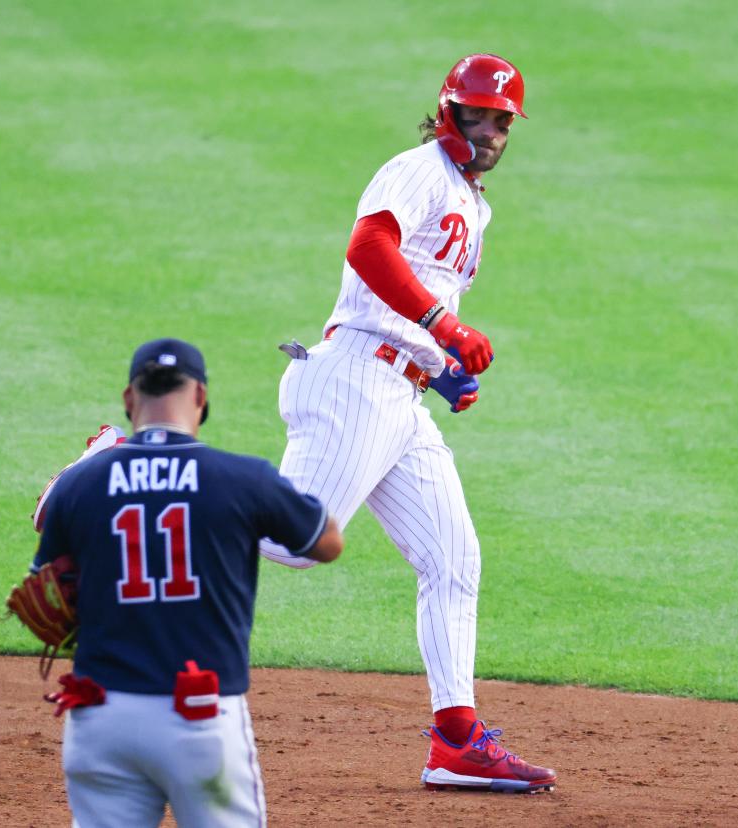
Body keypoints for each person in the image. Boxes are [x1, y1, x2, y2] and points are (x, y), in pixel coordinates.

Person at [259, 54, 556, 792]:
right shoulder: (417, 169)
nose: (486, 130)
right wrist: (443, 327)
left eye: (500, 121)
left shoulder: (471, 200)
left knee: (453, 560)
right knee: (292, 545)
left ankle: (455, 740)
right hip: (356, 378)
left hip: (400, 393)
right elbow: (367, 248)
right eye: (474, 115)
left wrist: (440, 366)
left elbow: (420, 290)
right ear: (446, 111)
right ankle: (137, 473)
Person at [31, 337, 343, 827]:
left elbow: (47, 594)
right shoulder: (242, 479)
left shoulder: (80, 485)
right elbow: (326, 543)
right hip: (198, 721)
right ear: (200, 397)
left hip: (100, 717)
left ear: (130, 400)